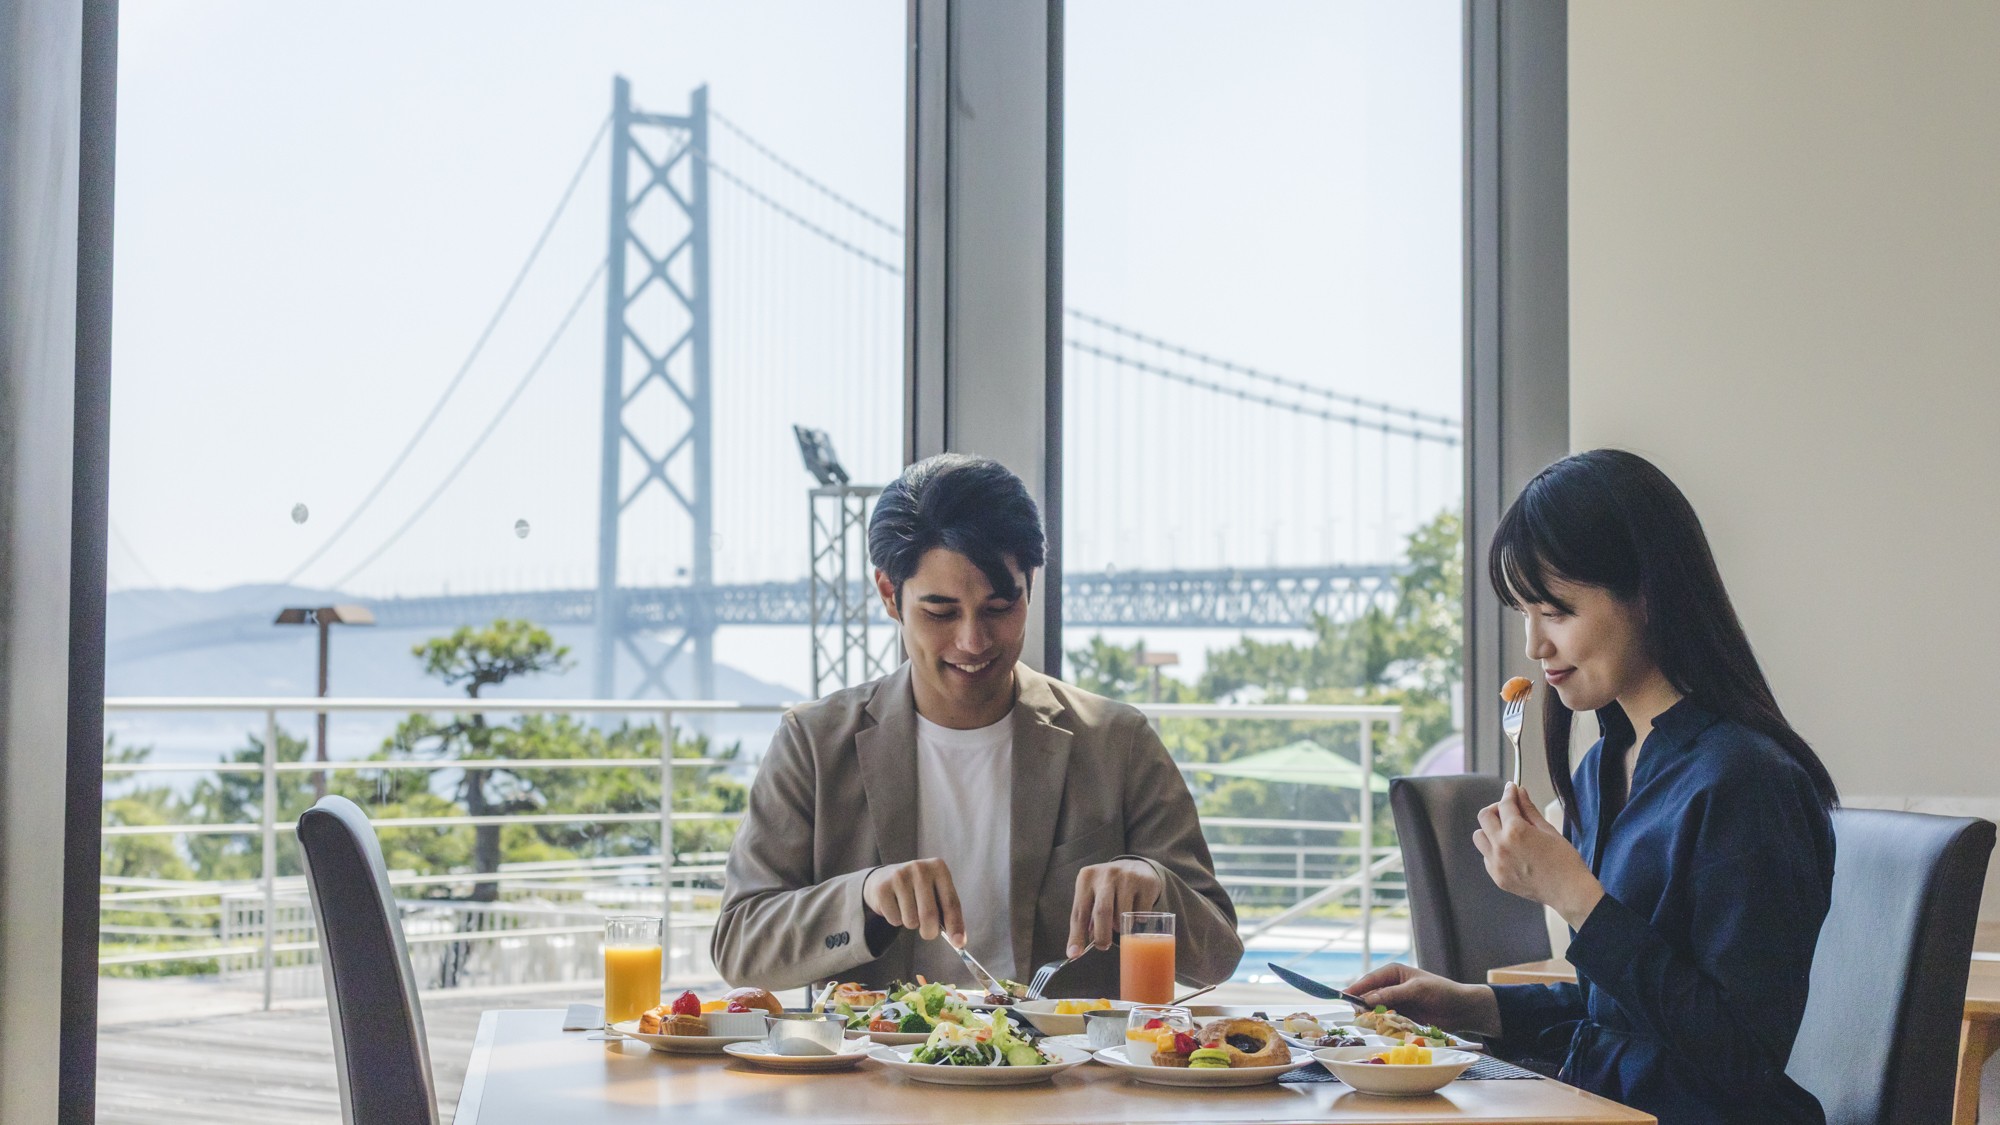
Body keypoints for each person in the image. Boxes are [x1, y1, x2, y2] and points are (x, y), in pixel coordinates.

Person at [1350, 449, 1838, 1124]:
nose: (1534, 645)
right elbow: (1622, 1009)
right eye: (1524, 612)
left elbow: (1741, 1056)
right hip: (1590, 1103)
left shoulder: (1748, 782)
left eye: (1555, 611)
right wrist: (1466, 1004)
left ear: (1645, 593)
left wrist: (1574, 895)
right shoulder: (1606, 767)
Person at [713, 453, 1242, 992]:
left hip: (1065, 1072)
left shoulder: (1115, 741)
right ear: (889, 595)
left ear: (1030, 586)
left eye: (998, 607)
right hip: (872, 1072)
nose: (973, 641)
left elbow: (1218, 954)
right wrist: (864, 897)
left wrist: (1154, 887)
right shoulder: (813, 743)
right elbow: (739, 947)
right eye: (940, 612)